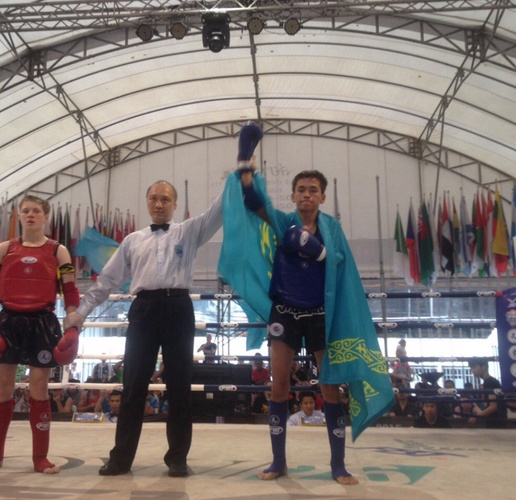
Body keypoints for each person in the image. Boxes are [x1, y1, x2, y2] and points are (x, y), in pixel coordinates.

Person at [219, 125, 393, 486]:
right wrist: (245, 165)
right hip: (285, 313)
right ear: (293, 195)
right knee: (279, 386)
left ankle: (338, 465)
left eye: (313, 190)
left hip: (320, 317)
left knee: (330, 387)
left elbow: (343, 275)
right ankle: (278, 461)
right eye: (301, 189)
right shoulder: (283, 222)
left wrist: (322, 253)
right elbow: (254, 203)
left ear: (322, 197)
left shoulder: (332, 230)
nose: (307, 195)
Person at [64, 179, 222, 478]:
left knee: (179, 388)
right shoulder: (132, 240)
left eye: (165, 199)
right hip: (144, 310)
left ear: (175, 204)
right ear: (147, 201)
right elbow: (107, 280)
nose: (159, 204)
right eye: (154, 198)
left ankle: (177, 458)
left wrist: (239, 173)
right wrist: (81, 313)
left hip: (178, 308)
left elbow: (218, 210)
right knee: (133, 386)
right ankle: (121, 459)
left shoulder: (188, 231)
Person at [0, 194, 80, 474]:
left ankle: (40, 457)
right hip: (8, 320)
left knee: (38, 387)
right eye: (26, 211)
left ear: (45, 217)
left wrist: (73, 324)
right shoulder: (4, 249)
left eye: (36, 211)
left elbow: (70, 289)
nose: (30, 215)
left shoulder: (58, 251)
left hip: (43, 321)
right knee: (3, 387)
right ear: (19, 216)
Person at [468, 358, 507, 428]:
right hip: (494, 419)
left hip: (496, 421)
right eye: (471, 368)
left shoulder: (491, 382)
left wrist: (476, 416)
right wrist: (477, 409)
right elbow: (487, 404)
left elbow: (493, 407)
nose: (472, 370)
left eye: (474, 367)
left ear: (484, 367)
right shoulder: (488, 382)